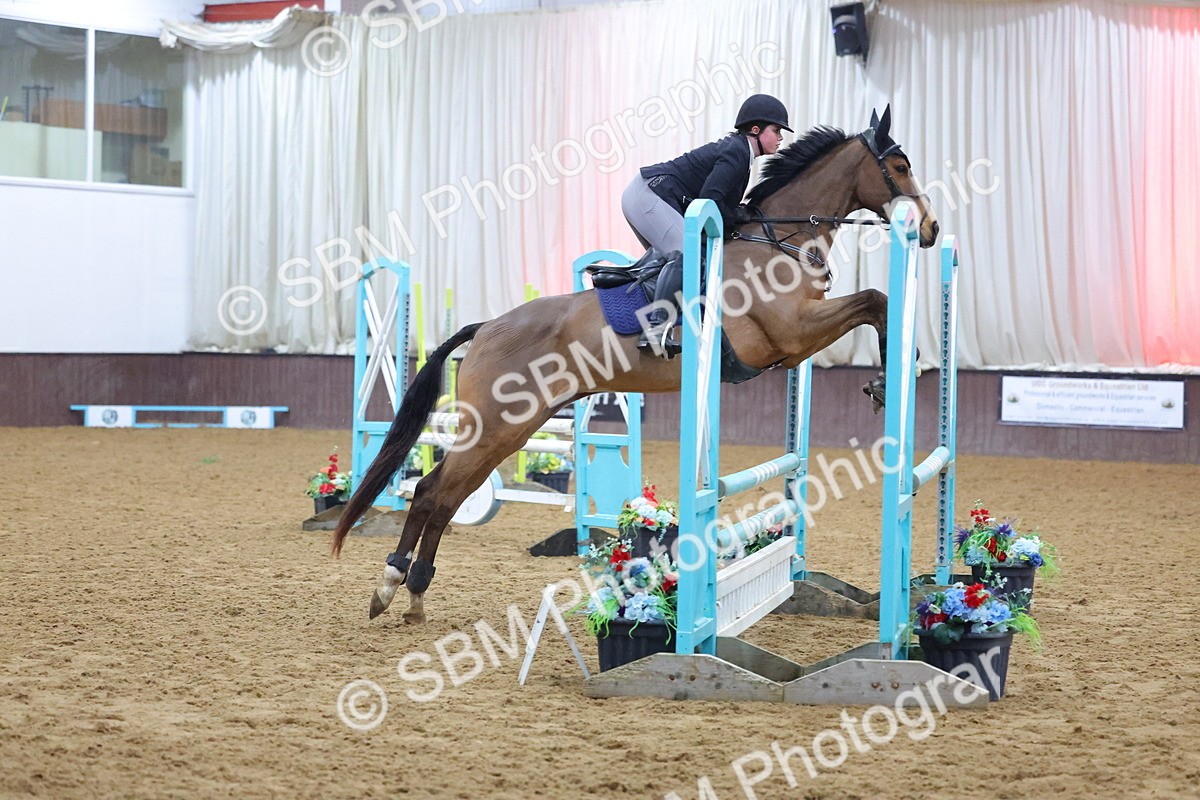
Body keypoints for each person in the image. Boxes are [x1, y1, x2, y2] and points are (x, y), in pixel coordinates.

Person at [620, 93, 792, 357]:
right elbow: (709, 202)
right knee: (686, 256)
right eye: (777, 130)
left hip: (647, 195)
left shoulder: (741, 154)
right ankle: (655, 329)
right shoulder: (736, 152)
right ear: (755, 130)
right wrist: (737, 215)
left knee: (685, 261)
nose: (781, 137)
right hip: (648, 194)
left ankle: (637, 317)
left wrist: (736, 214)